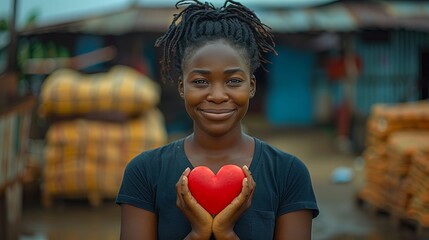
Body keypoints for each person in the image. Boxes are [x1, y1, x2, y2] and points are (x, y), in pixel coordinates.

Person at [116, 0, 319, 239]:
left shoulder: (287, 173)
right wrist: (198, 233)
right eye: (201, 81)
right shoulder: (145, 172)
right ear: (182, 87)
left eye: (233, 81)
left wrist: (225, 232)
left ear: (251, 86)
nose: (217, 96)